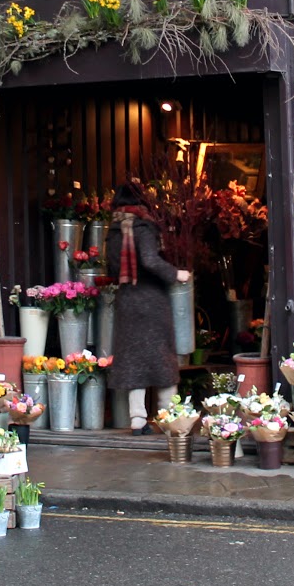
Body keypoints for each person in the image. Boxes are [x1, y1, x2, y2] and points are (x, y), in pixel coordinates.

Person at [103, 183, 190, 434]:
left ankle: (138, 419)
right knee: (163, 358)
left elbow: (111, 269)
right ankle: (170, 416)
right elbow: (150, 260)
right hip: (151, 301)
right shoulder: (144, 226)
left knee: (134, 360)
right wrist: (177, 274)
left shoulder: (114, 230)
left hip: (127, 299)